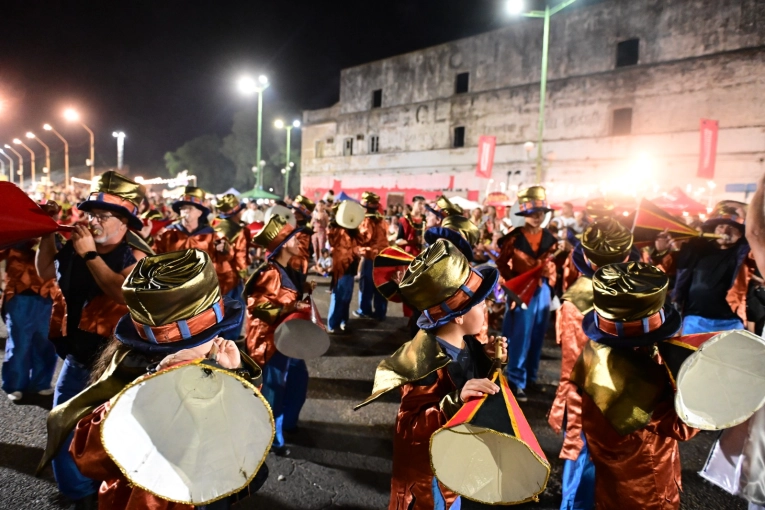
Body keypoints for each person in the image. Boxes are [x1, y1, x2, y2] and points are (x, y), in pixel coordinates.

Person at [43, 249, 265, 510]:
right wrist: (150, 389)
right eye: (214, 331)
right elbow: (89, 453)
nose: (220, 338)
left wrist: (235, 375)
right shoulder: (138, 380)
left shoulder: (209, 364)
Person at [356, 238, 506, 510]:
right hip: (430, 481)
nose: (487, 307)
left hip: (456, 464)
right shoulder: (423, 364)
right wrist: (456, 401)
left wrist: (491, 361)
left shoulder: (469, 344)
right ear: (459, 316)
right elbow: (409, 427)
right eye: (480, 303)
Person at [35, 171, 151, 508]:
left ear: (125, 221)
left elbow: (122, 293)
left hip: (121, 362)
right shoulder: (77, 244)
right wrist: (47, 235)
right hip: (78, 356)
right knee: (62, 423)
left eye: (102, 216)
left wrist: (90, 256)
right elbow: (45, 272)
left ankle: (113, 493)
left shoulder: (138, 256)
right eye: (90, 214)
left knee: (114, 433)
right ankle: (78, 494)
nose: (92, 221)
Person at [572, 262, 699, 510]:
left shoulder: (595, 351)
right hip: (643, 481)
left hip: (611, 470)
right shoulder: (636, 378)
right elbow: (683, 426)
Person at [548, 218, 634, 510]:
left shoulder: (575, 299)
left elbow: (572, 359)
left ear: (584, 257)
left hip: (588, 393)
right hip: (624, 394)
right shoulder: (641, 294)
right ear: (626, 256)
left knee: (586, 466)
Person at [243, 215, 313, 454]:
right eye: (293, 237)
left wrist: (303, 290)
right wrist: (291, 307)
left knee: (297, 381)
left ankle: (288, 424)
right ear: (283, 244)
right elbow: (257, 306)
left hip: (287, 336)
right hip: (271, 341)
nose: (298, 240)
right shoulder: (270, 273)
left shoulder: (288, 269)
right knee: (274, 390)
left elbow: (287, 294)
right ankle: (272, 439)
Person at [496, 186, 557, 401]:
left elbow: (554, 265)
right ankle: (515, 380)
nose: (537, 217)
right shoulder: (513, 238)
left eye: (540, 213)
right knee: (520, 336)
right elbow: (501, 263)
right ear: (525, 214)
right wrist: (512, 284)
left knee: (538, 334)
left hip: (542, 291)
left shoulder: (551, 238)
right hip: (522, 291)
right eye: (532, 213)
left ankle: (530, 377)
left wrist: (550, 275)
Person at [671, 202, 752, 334]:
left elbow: (757, 237)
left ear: (741, 233)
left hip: (730, 322)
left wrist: (748, 219)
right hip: (694, 320)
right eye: (720, 226)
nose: (725, 231)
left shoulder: (745, 254)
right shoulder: (697, 251)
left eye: (731, 227)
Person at [0, 241, 58, 401]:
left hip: (47, 296)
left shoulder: (54, 233)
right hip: (19, 297)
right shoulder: (17, 234)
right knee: (19, 344)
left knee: (46, 343)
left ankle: (41, 382)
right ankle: (16, 384)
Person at [153, 186, 234, 266]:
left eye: (190, 208)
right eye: (183, 208)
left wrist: (224, 250)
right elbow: (154, 255)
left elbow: (227, 257)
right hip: (175, 278)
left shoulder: (212, 235)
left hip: (203, 278)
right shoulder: (167, 233)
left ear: (200, 213)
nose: (185, 211)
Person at [213, 194, 251, 340]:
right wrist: (245, 276)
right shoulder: (238, 231)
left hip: (214, 275)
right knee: (235, 309)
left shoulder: (213, 225)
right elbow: (240, 257)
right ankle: (230, 340)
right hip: (231, 277)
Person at [354, 192, 390, 320]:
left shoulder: (366, 221)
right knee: (380, 286)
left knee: (366, 286)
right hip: (383, 258)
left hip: (369, 258)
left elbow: (363, 239)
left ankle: (365, 310)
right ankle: (380, 313)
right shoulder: (382, 220)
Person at [327, 202, 362, 333]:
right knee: (338, 296)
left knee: (346, 296)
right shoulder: (334, 229)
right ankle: (333, 324)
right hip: (341, 267)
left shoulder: (354, 230)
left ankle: (343, 321)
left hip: (351, 267)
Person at [289, 195, 316, 273]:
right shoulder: (293, 225)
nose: (292, 211)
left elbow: (299, 252)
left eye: (294, 210)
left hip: (296, 266)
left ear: (299, 213)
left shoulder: (304, 231)